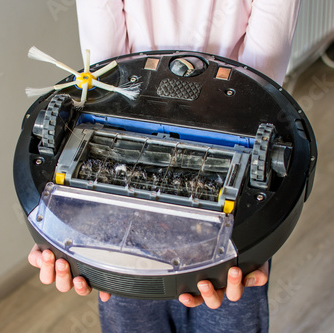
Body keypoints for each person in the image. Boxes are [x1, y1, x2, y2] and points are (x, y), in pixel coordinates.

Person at [28, 1, 301, 331]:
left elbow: (107, 66)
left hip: (227, 182)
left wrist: (258, 238)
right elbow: (260, 84)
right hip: (137, 198)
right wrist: (63, 220)